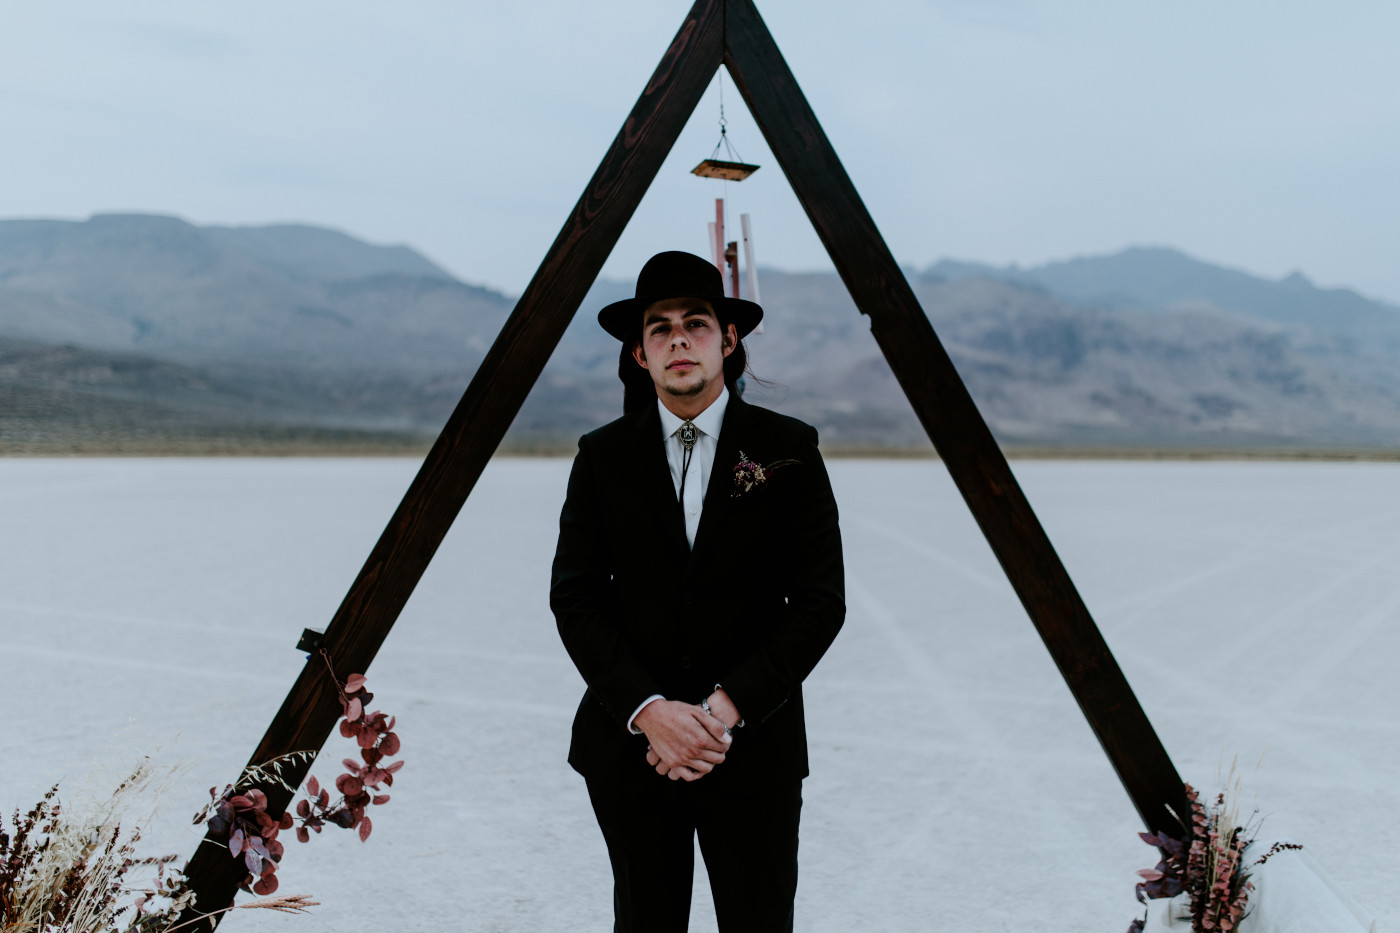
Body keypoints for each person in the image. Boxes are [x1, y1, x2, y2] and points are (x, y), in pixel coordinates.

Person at [551, 250, 845, 932]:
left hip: (753, 748)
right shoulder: (602, 457)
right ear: (639, 353)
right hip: (631, 751)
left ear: (729, 339)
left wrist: (722, 710)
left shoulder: (789, 449)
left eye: (696, 322)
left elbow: (820, 600)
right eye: (660, 328)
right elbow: (576, 596)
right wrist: (650, 710)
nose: (679, 339)